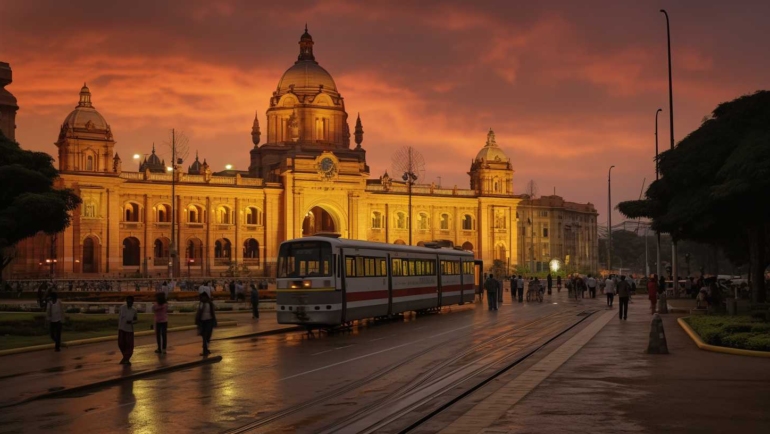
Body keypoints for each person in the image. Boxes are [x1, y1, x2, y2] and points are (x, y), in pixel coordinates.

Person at [118, 296, 138, 364]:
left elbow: (136, 320)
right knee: (121, 344)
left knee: (129, 346)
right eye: (128, 301)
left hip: (129, 330)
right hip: (122, 328)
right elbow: (119, 317)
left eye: (130, 301)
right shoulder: (122, 308)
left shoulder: (134, 310)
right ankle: (125, 357)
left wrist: (131, 322)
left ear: (133, 302)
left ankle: (126, 359)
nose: (129, 303)